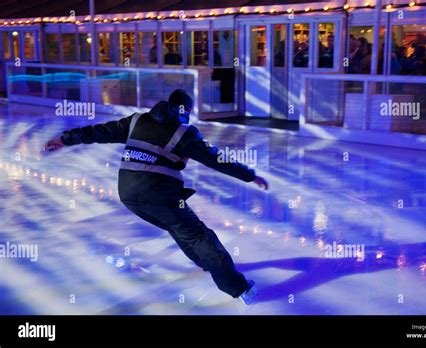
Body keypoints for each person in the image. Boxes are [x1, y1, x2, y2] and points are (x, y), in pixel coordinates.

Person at [44, 89, 268, 304]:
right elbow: (216, 159)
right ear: (186, 110)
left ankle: (207, 264)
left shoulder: (136, 120)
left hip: (128, 193)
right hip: (159, 195)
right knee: (200, 237)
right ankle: (240, 289)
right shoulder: (184, 132)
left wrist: (65, 139)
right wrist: (250, 176)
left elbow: (100, 131)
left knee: (180, 229)